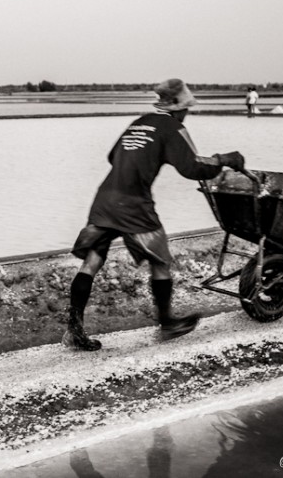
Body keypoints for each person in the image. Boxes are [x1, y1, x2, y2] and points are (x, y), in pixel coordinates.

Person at [62, 78, 246, 351]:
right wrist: (225, 160)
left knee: (92, 261)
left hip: (104, 199)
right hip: (134, 204)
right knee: (160, 260)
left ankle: (73, 331)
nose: (187, 113)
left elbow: (113, 156)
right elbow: (192, 167)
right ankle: (167, 322)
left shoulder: (140, 121)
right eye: (187, 108)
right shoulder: (173, 128)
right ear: (179, 108)